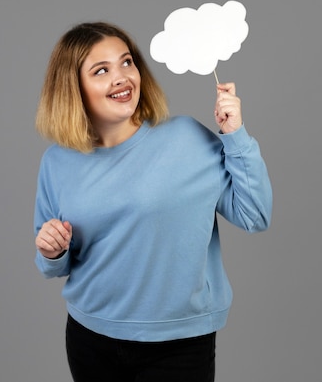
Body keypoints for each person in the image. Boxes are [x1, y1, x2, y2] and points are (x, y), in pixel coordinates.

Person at [33, 21, 272, 382]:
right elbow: (53, 266)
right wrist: (52, 250)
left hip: (178, 344)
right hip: (90, 337)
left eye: (127, 63)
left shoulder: (187, 139)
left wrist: (235, 135)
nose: (121, 77)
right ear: (73, 87)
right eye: (101, 70)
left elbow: (255, 215)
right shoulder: (57, 161)